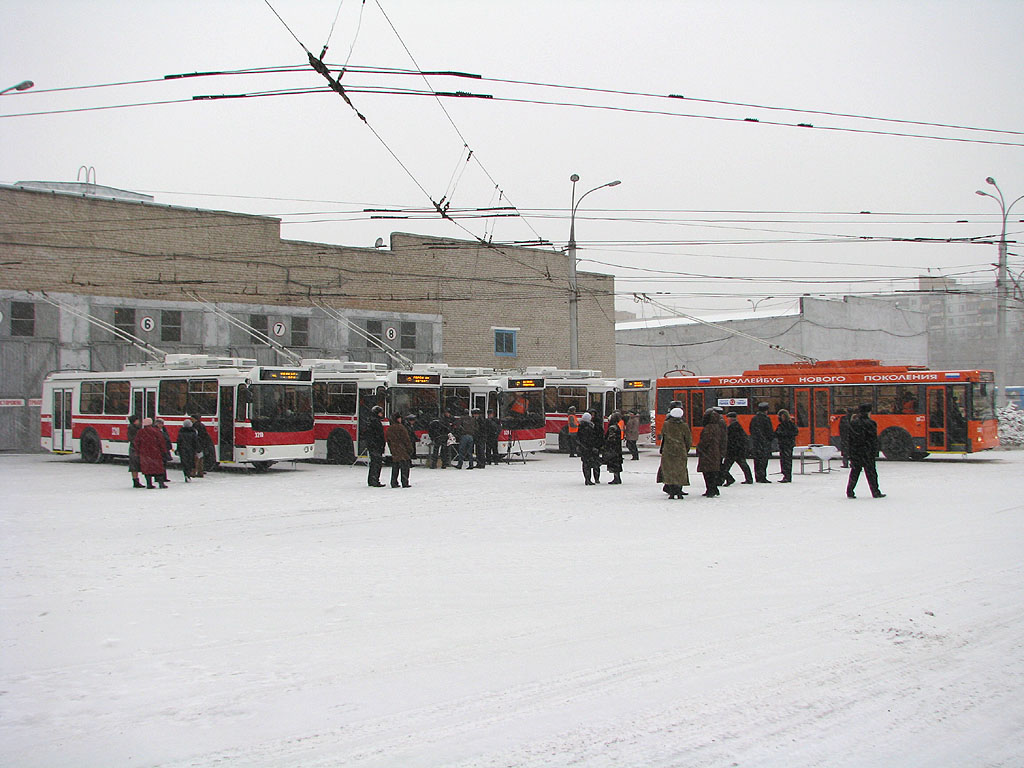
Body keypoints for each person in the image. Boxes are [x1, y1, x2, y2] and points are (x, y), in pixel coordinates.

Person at [846, 403, 885, 498]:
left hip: (856, 452)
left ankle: (850, 491)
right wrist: (874, 452)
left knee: (854, 473)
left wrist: (850, 452)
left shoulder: (853, 423)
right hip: (867, 452)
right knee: (871, 473)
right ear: (868, 412)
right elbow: (873, 440)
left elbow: (850, 439)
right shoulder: (871, 423)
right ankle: (875, 492)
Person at [658, 406, 691, 499]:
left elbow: (663, 437)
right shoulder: (684, 425)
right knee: (680, 471)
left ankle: (672, 492)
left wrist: (663, 449)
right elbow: (688, 439)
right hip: (680, 451)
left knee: (670, 471)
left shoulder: (666, 424)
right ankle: (679, 491)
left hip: (668, 451)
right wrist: (685, 449)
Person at [696, 409, 725, 497]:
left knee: (707, 473)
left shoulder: (708, 428)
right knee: (713, 472)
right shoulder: (717, 427)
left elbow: (705, 441)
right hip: (715, 453)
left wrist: (699, 448)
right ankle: (713, 489)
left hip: (708, 454)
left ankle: (710, 490)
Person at [133, 417, 167, 489]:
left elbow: (136, 443)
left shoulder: (140, 432)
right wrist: (163, 451)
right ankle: (161, 483)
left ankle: (149, 484)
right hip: (155, 453)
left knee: (147, 469)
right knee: (158, 468)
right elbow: (161, 442)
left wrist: (137, 451)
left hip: (144, 453)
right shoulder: (156, 431)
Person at [721, 412, 753, 485]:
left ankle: (724, 480)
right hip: (738, 450)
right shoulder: (738, 426)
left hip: (733, 450)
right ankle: (749, 479)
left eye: (728, 418)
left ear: (731, 419)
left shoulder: (732, 427)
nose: (728, 419)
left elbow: (730, 439)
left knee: (725, 466)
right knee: (743, 465)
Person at [385, 413, 414, 488]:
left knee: (395, 467)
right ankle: (405, 482)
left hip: (395, 450)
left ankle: (393, 482)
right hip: (402, 450)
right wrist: (410, 449)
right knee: (405, 467)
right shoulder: (401, 427)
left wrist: (392, 449)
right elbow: (406, 439)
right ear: (397, 419)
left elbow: (388, 440)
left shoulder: (390, 428)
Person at [576, 411, 603, 485]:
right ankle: (593, 479)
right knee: (593, 464)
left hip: (584, 449)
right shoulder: (589, 427)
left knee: (586, 464)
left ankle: (587, 479)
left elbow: (578, 438)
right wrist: (594, 446)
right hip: (590, 449)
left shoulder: (580, 426)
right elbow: (591, 439)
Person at [750, 402, 774, 483]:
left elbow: (751, 430)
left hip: (756, 443)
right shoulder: (766, 419)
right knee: (763, 461)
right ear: (766, 410)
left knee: (757, 461)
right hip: (764, 444)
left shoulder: (754, 418)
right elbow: (769, 431)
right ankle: (762, 477)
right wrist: (769, 439)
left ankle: (758, 476)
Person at [363, 405, 386, 487]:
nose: (382, 414)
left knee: (373, 463)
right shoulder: (375, 422)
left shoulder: (370, 421)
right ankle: (375, 480)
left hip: (372, 446)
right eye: (380, 413)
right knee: (377, 464)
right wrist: (380, 444)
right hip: (376, 446)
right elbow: (379, 435)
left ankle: (371, 480)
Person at [774, 409, 799, 483]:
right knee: (784, 460)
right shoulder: (784, 425)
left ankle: (787, 476)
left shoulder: (789, 424)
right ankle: (786, 475)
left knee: (786, 460)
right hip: (784, 444)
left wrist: (783, 434)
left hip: (787, 444)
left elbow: (794, 432)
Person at [176, 417, 199, 483]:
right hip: (191, 450)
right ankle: (188, 474)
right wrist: (197, 449)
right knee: (190, 462)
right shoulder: (193, 432)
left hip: (183, 450)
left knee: (184, 463)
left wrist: (178, 449)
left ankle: (186, 474)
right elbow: (195, 442)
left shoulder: (181, 432)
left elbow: (179, 442)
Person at [603, 416, 623, 484]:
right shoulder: (617, 426)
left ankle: (616, 478)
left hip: (613, 449)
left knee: (613, 463)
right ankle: (617, 478)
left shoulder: (612, 427)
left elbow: (611, 439)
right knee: (617, 463)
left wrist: (606, 444)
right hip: (617, 448)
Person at [154, 418, 173, 484]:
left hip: (165, 448)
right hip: (160, 449)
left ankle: (164, 477)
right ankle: (159, 478)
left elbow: (167, 438)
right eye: (160, 423)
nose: (162, 425)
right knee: (160, 464)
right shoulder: (156, 430)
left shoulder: (164, 430)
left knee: (164, 463)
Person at [127, 414, 144, 488]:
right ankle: (136, 481)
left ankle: (136, 481)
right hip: (135, 449)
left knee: (134, 466)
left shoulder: (133, 428)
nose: (139, 421)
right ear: (134, 421)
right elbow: (134, 439)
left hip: (134, 448)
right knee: (134, 465)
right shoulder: (134, 429)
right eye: (137, 420)